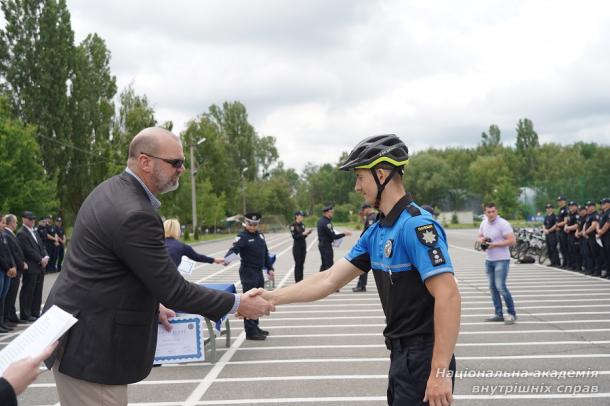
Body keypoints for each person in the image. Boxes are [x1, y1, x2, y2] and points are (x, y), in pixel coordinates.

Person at [41, 127, 274, 406]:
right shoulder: (135, 212)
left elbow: (116, 271)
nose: (182, 169)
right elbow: (174, 290)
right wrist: (238, 304)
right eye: (175, 162)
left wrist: (153, 305)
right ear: (145, 161)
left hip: (80, 335)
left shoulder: (111, 190)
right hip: (93, 348)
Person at [259, 134, 460, 405]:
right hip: (401, 355)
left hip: (424, 356)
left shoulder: (416, 226)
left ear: (381, 173)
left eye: (360, 177)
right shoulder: (377, 231)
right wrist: (272, 297)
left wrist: (439, 372)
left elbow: (448, 296)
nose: (356, 187)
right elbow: (329, 279)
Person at [225, 212, 275, 340]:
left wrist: (269, 268)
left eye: (255, 224)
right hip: (248, 272)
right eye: (250, 224)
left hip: (258, 272)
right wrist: (227, 260)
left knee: (258, 300)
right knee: (250, 301)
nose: (252, 226)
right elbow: (233, 250)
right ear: (245, 223)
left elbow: (265, 252)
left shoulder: (260, 235)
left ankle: (256, 327)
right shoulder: (242, 237)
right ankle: (250, 331)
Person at [477, 202, 517, 325]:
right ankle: (498, 314)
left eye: (493, 211)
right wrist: (482, 240)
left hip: (502, 259)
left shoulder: (503, 224)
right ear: (485, 213)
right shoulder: (484, 223)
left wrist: (494, 245)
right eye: (488, 212)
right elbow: (478, 237)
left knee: (501, 287)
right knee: (492, 288)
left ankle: (511, 314)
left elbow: (512, 241)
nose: (491, 214)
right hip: (489, 260)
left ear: (497, 211)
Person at [17, 211, 48, 322]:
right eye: (30, 219)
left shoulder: (34, 231)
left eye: (33, 219)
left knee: (37, 291)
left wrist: (45, 256)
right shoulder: (22, 233)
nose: (33, 221)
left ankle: (35, 312)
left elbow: (41, 245)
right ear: (24, 219)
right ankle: (25, 314)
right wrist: (40, 259)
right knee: (28, 291)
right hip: (31, 265)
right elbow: (27, 250)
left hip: (40, 266)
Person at [2, 214, 27, 325]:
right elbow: (10, 253)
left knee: (10, 295)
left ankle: (7, 318)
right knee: (7, 296)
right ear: (10, 223)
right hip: (8, 269)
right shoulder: (6, 235)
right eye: (15, 222)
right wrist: (16, 266)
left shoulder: (7, 235)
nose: (16, 224)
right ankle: (5, 319)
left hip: (12, 267)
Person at [317, 204, 352, 272]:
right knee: (329, 265)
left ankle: (318, 280)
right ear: (326, 213)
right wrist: (344, 234)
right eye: (331, 212)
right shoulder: (327, 223)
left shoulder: (320, 220)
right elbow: (334, 236)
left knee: (324, 265)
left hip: (322, 245)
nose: (332, 213)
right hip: (326, 246)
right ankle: (325, 281)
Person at [352, 203, 376, 292]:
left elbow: (369, 232)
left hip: (369, 247)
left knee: (362, 265)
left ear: (368, 208)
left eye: (363, 210)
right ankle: (361, 285)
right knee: (363, 266)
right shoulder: (371, 217)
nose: (362, 212)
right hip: (369, 246)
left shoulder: (372, 218)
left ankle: (361, 285)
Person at [0, 213, 17, 333]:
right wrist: (8, 268)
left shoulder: (2, 235)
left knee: (3, 297)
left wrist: (13, 266)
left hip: (6, 270)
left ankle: (2, 322)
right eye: (2, 222)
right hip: (2, 270)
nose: (4, 225)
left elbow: (8, 252)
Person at [290, 210, 312, 283]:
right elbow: (295, 237)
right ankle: (297, 281)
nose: (302, 217)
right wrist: (303, 234)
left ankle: (301, 280)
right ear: (296, 216)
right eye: (301, 215)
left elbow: (303, 237)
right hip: (297, 247)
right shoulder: (293, 225)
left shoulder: (302, 225)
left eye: (302, 216)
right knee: (298, 264)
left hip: (303, 246)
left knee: (302, 264)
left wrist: (307, 234)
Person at [583, 201, 602, 276]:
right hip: (588, 237)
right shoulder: (589, 215)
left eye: (589, 206)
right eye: (587, 206)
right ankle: (592, 269)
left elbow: (594, 225)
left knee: (596, 254)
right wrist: (584, 232)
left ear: (593, 207)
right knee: (590, 254)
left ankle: (597, 271)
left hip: (594, 237)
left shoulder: (595, 215)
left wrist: (586, 232)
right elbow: (586, 224)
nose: (588, 207)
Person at [564, 202, 582, 271]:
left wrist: (568, 228)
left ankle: (578, 266)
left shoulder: (577, 215)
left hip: (575, 235)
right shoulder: (570, 214)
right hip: (569, 234)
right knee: (570, 250)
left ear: (576, 207)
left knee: (576, 251)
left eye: (572, 206)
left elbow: (577, 225)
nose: (570, 208)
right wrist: (566, 227)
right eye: (570, 206)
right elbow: (567, 223)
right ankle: (572, 265)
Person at [596, 198, 610, 279]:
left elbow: (608, 223)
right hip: (602, 236)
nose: (602, 205)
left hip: (607, 235)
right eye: (601, 203)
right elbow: (598, 223)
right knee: (605, 254)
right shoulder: (602, 213)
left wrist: (601, 231)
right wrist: (599, 231)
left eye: (604, 203)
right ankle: (607, 271)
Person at [555, 196, 569, 268]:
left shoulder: (566, 210)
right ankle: (564, 263)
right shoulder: (560, 210)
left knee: (565, 248)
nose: (559, 202)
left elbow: (565, 221)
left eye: (561, 201)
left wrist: (557, 225)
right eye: (558, 201)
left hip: (564, 232)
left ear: (564, 201)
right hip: (559, 231)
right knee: (562, 248)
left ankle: (566, 263)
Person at [576, 205, 590, 274]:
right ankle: (584, 267)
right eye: (579, 211)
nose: (580, 212)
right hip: (580, 237)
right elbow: (578, 226)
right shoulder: (580, 218)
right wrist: (577, 232)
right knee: (582, 253)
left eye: (581, 210)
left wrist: (579, 233)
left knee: (587, 253)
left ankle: (588, 268)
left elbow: (585, 228)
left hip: (585, 237)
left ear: (585, 210)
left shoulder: (586, 217)